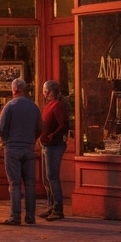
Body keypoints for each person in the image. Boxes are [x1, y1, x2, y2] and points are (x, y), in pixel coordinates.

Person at [0, 78, 43, 225]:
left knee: (15, 184)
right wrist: (31, 139)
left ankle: (15, 216)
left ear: (14, 90)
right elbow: (40, 128)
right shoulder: (34, 107)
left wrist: (4, 140)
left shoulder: (10, 106)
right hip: (28, 147)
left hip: (13, 147)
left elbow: (1, 128)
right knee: (30, 184)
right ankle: (30, 216)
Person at [39, 80, 70, 221]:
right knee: (47, 178)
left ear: (50, 92)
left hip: (54, 145)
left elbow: (63, 125)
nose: (43, 94)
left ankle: (57, 208)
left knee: (52, 177)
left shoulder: (58, 105)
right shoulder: (50, 105)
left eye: (45, 91)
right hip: (47, 144)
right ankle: (51, 206)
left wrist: (52, 135)